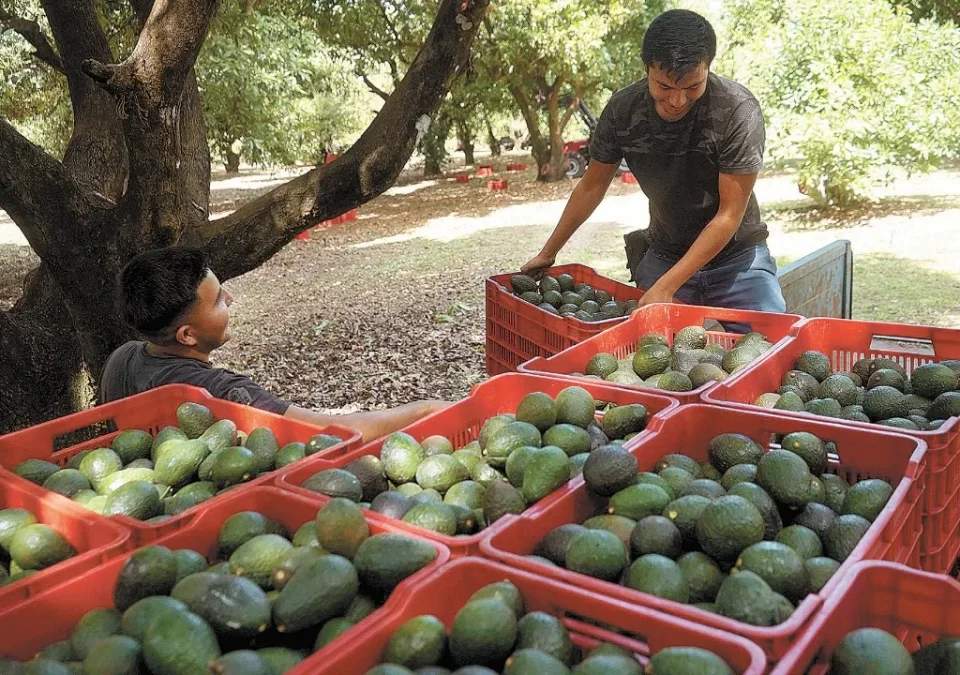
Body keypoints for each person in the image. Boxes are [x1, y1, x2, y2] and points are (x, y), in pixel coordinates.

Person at [521, 9, 785, 313]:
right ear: (647, 69)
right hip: (665, 252)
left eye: (691, 88)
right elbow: (591, 187)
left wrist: (667, 285)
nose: (677, 101)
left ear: (708, 67)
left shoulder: (737, 110)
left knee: (769, 343)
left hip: (737, 259)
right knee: (646, 352)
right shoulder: (623, 110)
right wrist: (548, 252)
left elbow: (729, 214)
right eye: (664, 87)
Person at [100, 246, 448, 439]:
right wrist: (424, 410)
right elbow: (327, 433)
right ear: (187, 335)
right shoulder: (218, 392)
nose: (231, 300)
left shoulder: (122, 359)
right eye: (219, 299)